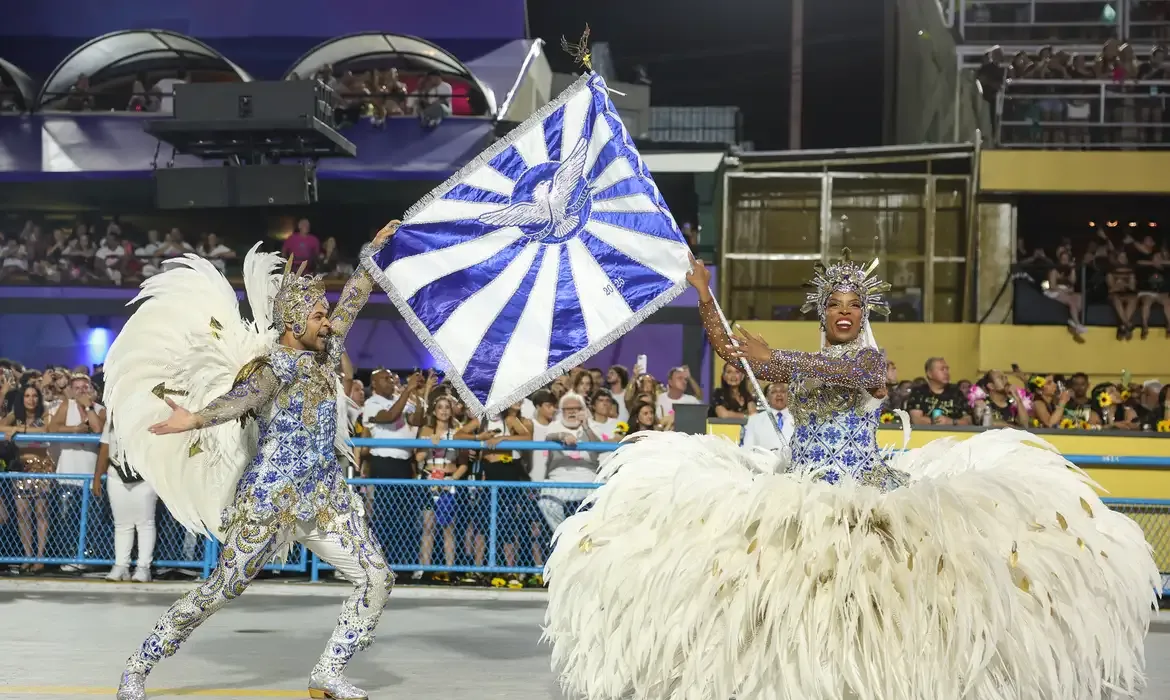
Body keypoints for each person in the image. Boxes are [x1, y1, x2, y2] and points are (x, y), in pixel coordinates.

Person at [543, 250, 1158, 700]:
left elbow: (847, 376)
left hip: (861, 492)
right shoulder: (807, 358)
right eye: (834, 305)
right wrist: (704, 294)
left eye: (852, 305)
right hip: (795, 486)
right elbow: (732, 349)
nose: (843, 312)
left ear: (863, 313)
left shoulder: (867, 359)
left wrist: (775, 358)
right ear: (821, 313)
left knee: (876, 603)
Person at [104, 222, 399, 700]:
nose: (328, 323)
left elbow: (354, 299)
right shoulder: (270, 369)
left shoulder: (325, 353)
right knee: (220, 589)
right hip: (268, 502)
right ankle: (140, 663)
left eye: (326, 316)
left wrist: (373, 251)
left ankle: (328, 671)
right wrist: (194, 418)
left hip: (326, 500)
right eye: (319, 317)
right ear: (293, 324)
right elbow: (237, 402)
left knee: (377, 578)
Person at [93, 416, 157, 582]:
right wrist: (97, 476)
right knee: (121, 524)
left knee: (145, 523)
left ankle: (143, 567)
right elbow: (105, 447)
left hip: (144, 475)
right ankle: (121, 565)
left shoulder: (151, 416)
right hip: (116, 475)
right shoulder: (113, 418)